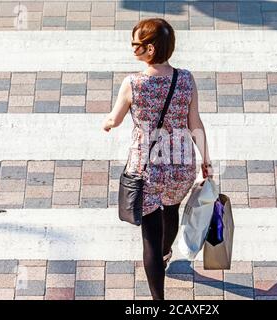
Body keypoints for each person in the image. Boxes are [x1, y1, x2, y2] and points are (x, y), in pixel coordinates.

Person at [101, 18, 213, 300]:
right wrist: (206, 159)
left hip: (146, 167)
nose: (132, 48)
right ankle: (166, 253)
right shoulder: (185, 79)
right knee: (171, 210)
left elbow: (115, 118)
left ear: (149, 49)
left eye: (136, 43)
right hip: (180, 164)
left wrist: (107, 123)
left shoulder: (133, 84)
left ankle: (158, 300)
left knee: (149, 236)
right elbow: (195, 123)